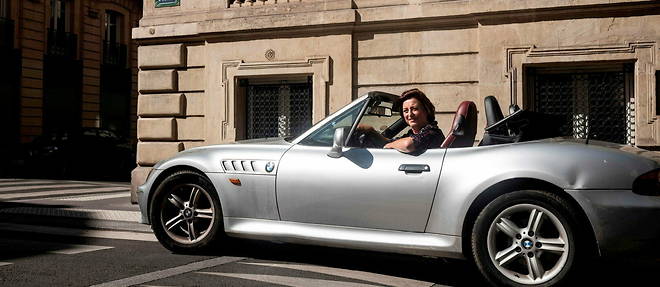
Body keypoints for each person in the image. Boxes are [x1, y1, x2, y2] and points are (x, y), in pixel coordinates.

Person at [359, 88, 445, 153]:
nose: (410, 114)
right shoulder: (411, 134)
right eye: (406, 111)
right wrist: (372, 131)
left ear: (426, 110)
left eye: (414, 109)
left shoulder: (432, 132)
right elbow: (391, 141)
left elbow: (408, 145)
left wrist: (389, 146)